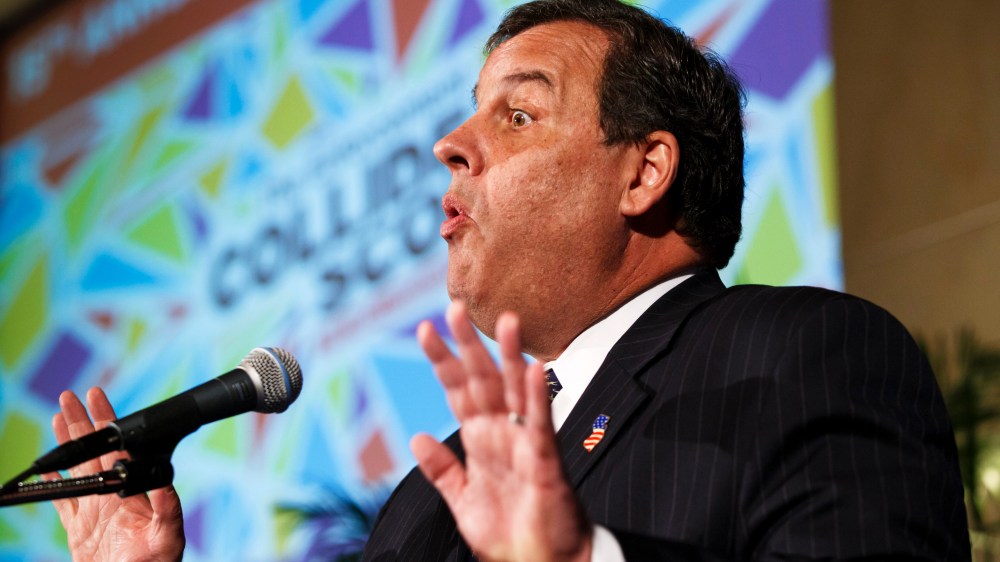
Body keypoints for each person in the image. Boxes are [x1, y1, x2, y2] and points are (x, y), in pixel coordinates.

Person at [49, 0, 970, 560]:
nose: (452, 144)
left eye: (519, 114)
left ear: (643, 173)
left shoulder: (803, 353)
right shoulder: (424, 505)